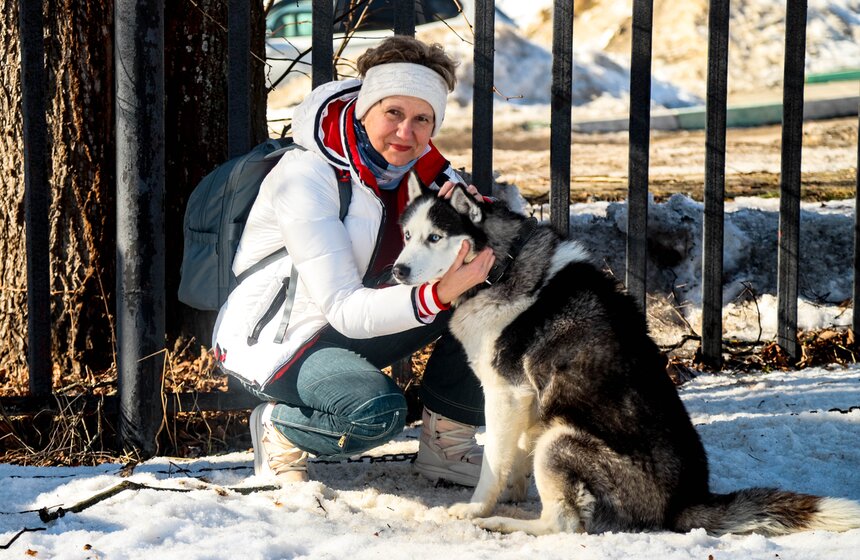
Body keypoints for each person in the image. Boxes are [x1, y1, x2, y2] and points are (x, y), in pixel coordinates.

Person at [212, 35, 495, 485]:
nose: (407, 132)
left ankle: (447, 441)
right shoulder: (308, 175)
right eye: (394, 113)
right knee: (376, 414)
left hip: (359, 327)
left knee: (493, 295)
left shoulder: (429, 177)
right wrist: (440, 292)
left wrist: (477, 233)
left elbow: (480, 266)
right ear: (365, 110)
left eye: (423, 119)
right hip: (287, 341)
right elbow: (344, 306)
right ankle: (279, 429)